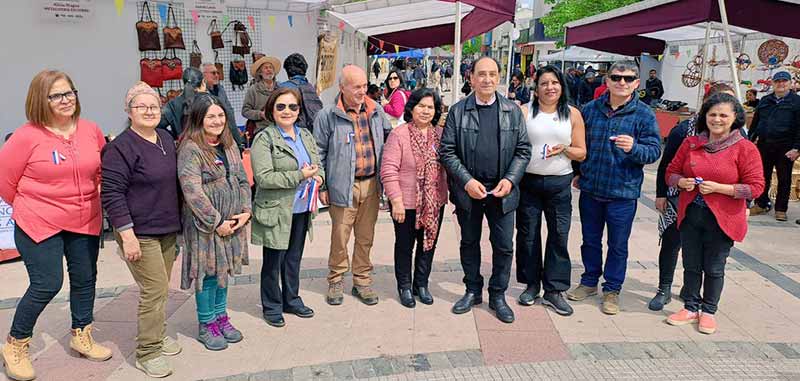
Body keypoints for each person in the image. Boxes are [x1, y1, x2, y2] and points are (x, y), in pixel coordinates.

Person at [0, 70, 111, 381]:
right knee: (47, 283)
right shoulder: (26, 137)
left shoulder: (91, 130)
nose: (66, 100)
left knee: (85, 279)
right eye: (57, 95)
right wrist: (32, 205)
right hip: (39, 221)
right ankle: (15, 344)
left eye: (69, 92)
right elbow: (5, 183)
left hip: (84, 218)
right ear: (41, 100)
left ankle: (82, 333)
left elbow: (100, 172)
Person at [439, 56, 532, 323]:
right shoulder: (458, 111)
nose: (487, 79)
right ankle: (472, 289)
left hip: (502, 192)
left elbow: (523, 150)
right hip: (470, 191)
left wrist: (511, 179)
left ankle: (498, 294)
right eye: (481, 74)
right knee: (469, 242)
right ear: (471, 77)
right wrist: (466, 181)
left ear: (499, 77)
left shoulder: (512, 111)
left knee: (503, 246)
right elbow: (447, 151)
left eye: (492, 74)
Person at [565, 61, 662, 315]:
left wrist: (634, 148)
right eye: (616, 77)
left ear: (637, 84)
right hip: (592, 189)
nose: (622, 83)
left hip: (623, 192)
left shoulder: (643, 114)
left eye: (628, 79)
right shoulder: (589, 110)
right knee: (590, 240)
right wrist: (577, 173)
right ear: (606, 81)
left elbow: (654, 151)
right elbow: (578, 145)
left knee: (618, 244)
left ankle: (612, 290)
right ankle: (588, 281)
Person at [665, 93, 764, 334]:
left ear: (734, 118)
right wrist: (681, 182)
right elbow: (670, 171)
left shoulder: (745, 148)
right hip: (691, 214)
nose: (717, 119)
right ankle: (690, 306)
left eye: (723, 115)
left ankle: (708, 310)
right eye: (712, 114)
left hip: (723, 218)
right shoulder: (691, 143)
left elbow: (757, 187)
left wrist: (723, 189)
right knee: (690, 264)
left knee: (714, 267)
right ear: (704, 117)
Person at [102, 82, 181, 378]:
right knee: (154, 291)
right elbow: (111, 194)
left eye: (154, 106)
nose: (149, 111)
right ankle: (148, 351)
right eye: (141, 107)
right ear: (129, 111)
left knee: (162, 290)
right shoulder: (120, 147)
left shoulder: (164, 137)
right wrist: (127, 235)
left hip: (167, 229)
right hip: (139, 233)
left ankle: (158, 335)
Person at [650, 83, 736, 311]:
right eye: (717, 102)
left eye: (728, 103)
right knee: (671, 241)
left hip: (718, 203)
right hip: (680, 196)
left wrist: (743, 201)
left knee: (702, 249)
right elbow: (666, 165)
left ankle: (692, 292)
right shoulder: (684, 131)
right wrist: (661, 194)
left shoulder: (738, 137)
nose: (722, 110)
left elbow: (748, 175)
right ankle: (664, 287)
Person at [313, 65, 391, 306]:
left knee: (366, 236)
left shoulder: (376, 110)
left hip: (371, 185)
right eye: (356, 87)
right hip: (341, 187)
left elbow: (389, 139)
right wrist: (323, 185)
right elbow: (319, 152)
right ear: (342, 88)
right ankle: (336, 279)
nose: (362, 91)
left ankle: (362, 280)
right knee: (340, 236)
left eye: (365, 86)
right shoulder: (327, 115)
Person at [178, 95, 251, 350]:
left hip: (232, 222)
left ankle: (222, 316)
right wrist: (216, 220)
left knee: (224, 271)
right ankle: (206, 323)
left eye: (220, 115)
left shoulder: (229, 144)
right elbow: (192, 192)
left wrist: (245, 211)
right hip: (205, 225)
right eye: (211, 116)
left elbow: (242, 179)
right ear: (199, 118)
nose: (217, 121)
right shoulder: (190, 149)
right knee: (207, 273)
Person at [515, 66, 586, 316]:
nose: (550, 87)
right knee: (528, 235)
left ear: (562, 86)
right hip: (529, 183)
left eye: (555, 82)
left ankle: (554, 290)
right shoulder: (524, 111)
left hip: (559, 183)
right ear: (536, 87)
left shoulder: (572, 114)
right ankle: (531, 284)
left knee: (559, 235)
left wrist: (564, 149)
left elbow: (581, 151)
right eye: (544, 83)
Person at [252, 88, 325, 327]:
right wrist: (299, 175)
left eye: (293, 107)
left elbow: (317, 163)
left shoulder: (304, 135)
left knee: (293, 258)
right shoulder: (265, 138)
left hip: (301, 207)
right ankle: (272, 305)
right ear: (272, 110)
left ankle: (291, 299)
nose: (287, 111)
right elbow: (263, 178)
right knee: (273, 261)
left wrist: (319, 177)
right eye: (281, 106)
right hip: (276, 210)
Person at [380, 88, 448, 308]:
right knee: (404, 245)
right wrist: (396, 201)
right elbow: (388, 170)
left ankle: (422, 284)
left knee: (428, 244)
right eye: (422, 106)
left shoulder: (440, 135)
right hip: (406, 202)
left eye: (431, 107)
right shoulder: (399, 134)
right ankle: (405, 286)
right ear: (412, 107)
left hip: (433, 202)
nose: (426, 111)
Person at [749, 71, 800, 222]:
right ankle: (761, 203)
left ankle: (781, 209)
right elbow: (756, 123)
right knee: (762, 176)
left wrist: (797, 148)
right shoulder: (765, 101)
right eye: (778, 81)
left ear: (790, 83)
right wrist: (750, 140)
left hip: (786, 146)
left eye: (784, 81)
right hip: (764, 144)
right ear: (773, 83)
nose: (781, 84)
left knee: (784, 179)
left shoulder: (797, 102)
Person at [202, 63, 245, 149]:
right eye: (213, 73)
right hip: (211, 139)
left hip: (227, 134)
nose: (217, 75)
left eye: (218, 73)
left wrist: (237, 137)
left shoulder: (220, 89)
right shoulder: (200, 94)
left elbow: (229, 112)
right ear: (203, 75)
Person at [279, 53, 323, 133]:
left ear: (287, 71)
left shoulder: (282, 88)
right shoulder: (311, 88)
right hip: (310, 134)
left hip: (289, 133)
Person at [159, 68, 207, 140]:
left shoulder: (173, 104)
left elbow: (158, 125)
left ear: (184, 82)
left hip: (183, 147)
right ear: (203, 82)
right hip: (209, 147)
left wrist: (173, 136)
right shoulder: (210, 102)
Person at [243, 55, 282, 140]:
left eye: (271, 67)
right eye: (266, 68)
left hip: (279, 130)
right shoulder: (253, 90)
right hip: (260, 131)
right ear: (260, 72)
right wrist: (260, 114)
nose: (269, 70)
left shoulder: (280, 89)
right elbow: (245, 111)